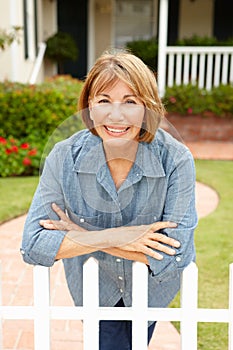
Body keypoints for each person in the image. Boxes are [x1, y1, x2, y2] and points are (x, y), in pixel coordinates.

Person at [21, 49, 198, 349]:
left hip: (152, 292)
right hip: (95, 290)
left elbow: (174, 256)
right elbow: (33, 244)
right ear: (90, 106)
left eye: (130, 102)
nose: (116, 116)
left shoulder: (176, 159)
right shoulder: (64, 157)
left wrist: (81, 235)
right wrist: (121, 236)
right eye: (104, 101)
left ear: (148, 107)